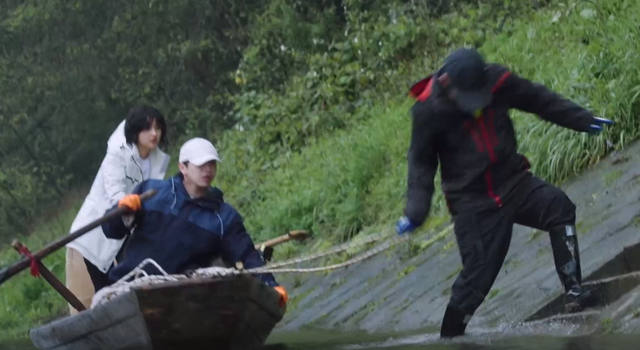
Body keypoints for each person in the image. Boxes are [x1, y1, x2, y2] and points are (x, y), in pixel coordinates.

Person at [394, 48, 613, 338]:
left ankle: (575, 294)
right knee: (477, 277)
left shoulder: (497, 81)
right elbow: (421, 163)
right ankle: (449, 339)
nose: (476, 106)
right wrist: (415, 212)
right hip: (474, 204)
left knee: (558, 206)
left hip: (513, 181)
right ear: (447, 84)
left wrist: (583, 120)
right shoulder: (428, 110)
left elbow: (539, 100)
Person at [99, 137, 288, 306]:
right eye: (201, 164)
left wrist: (271, 285)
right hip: (128, 288)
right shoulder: (151, 193)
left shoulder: (223, 217)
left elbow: (247, 255)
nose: (208, 170)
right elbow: (111, 231)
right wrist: (122, 212)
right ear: (183, 167)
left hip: (180, 299)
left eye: (212, 164)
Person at [65, 106, 170, 314]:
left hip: (130, 227)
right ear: (135, 131)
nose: (154, 134)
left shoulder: (157, 158)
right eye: (147, 128)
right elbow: (115, 193)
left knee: (134, 274)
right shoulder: (117, 153)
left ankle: (144, 316)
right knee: (104, 287)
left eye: (157, 128)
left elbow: (155, 192)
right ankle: (111, 326)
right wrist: (128, 203)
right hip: (97, 229)